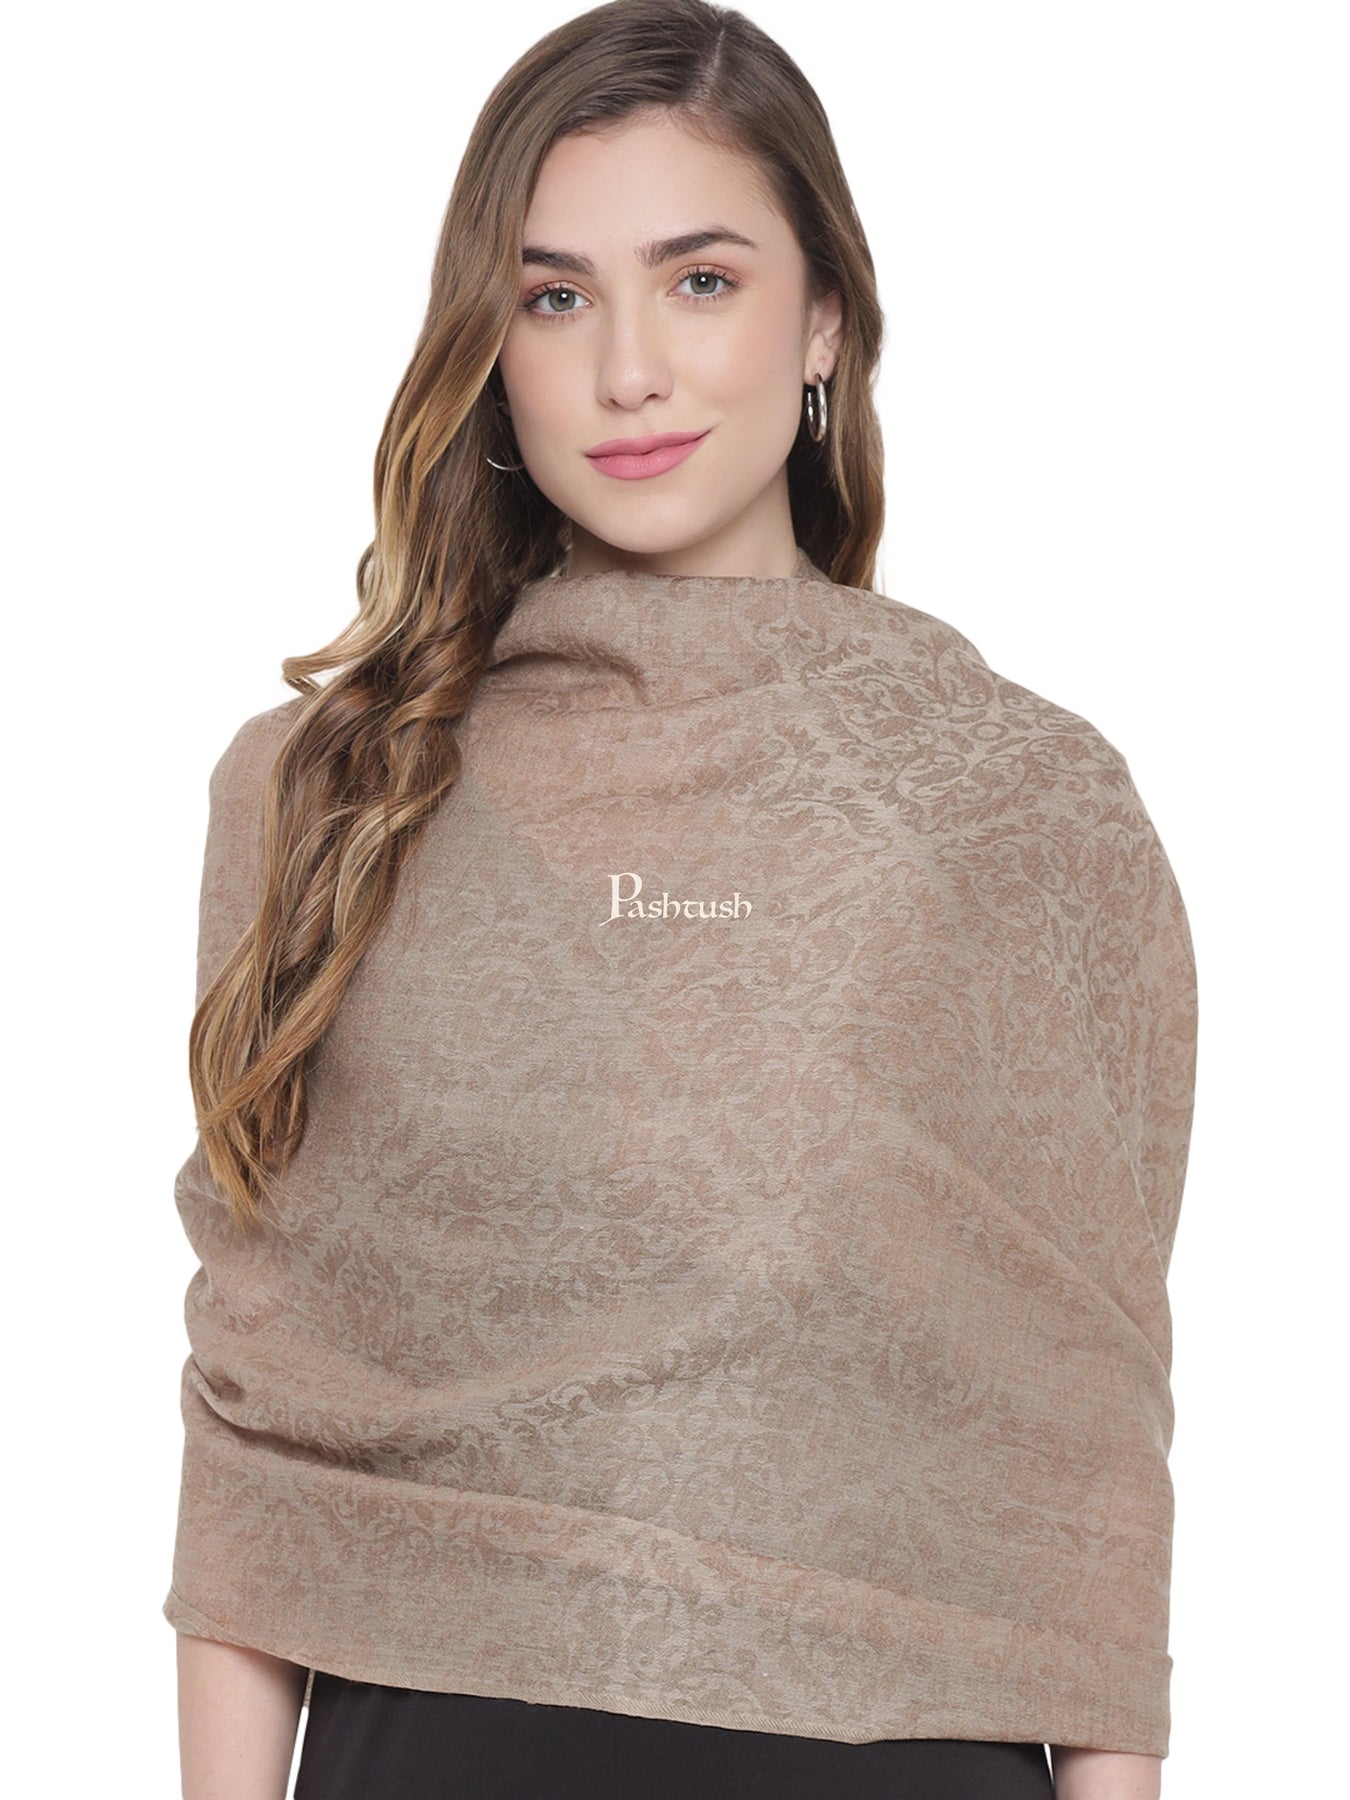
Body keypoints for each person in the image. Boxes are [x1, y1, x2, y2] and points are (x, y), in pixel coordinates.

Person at [164, 3, 1198, 1797]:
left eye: (700, 280)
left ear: (824, 322)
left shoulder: (1016, 800)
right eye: (555, 297)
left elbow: (1089, 1433)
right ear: (490, 348)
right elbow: (254, 1426)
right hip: (438, 1749)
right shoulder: (327, 788)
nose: (628, 370)